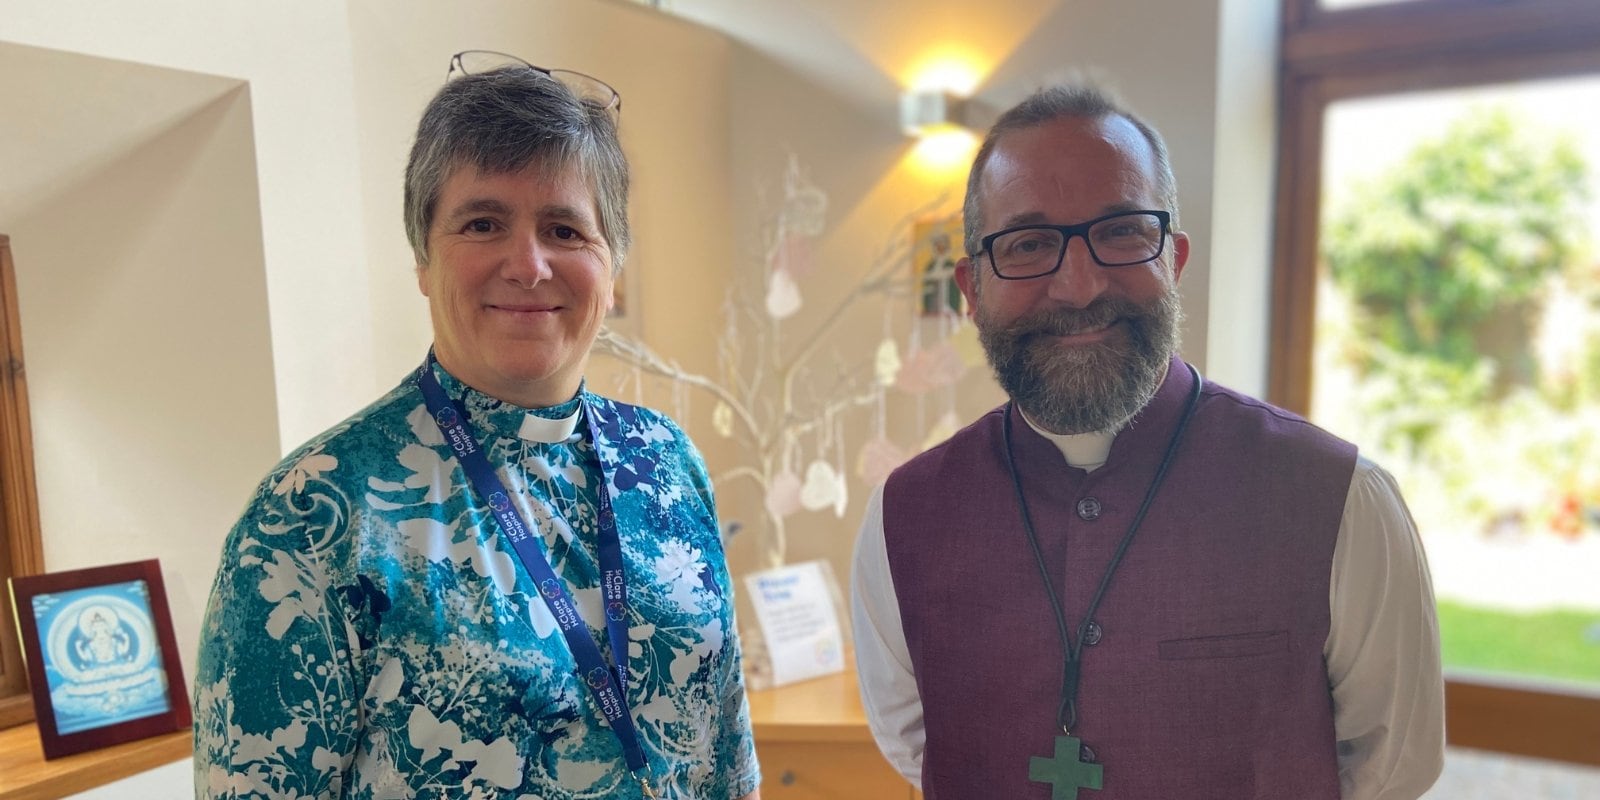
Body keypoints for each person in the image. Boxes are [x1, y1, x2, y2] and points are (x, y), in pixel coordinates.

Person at [851, 82, 1444, 800]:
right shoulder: (903, 517)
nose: (1078, 285)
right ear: (971, 288)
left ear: (1174, 260)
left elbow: (1390, 765)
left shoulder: (1339, 498)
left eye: (1121, 231)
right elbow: (913, 740)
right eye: (1030, 242)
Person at [194, 52, 761, 800]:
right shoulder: (315, 514)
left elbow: (726, 752)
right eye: (483, 222)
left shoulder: (665, 461)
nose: (528, 265)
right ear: (423, 258)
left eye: (565, 228)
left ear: (613, 268)